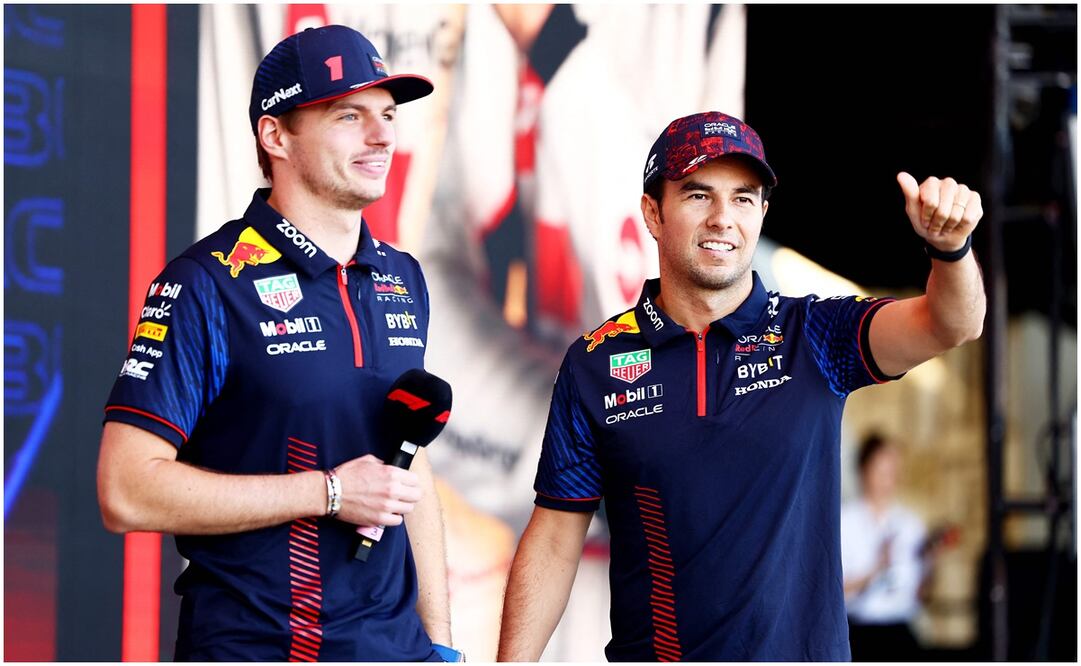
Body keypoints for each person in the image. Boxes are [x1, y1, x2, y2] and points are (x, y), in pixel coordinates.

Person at [497, 111, 986, 661]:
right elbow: (556, 537)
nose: (723, 219)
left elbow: (953, 324)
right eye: (698, 196)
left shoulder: (815, 335)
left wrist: (952, 251)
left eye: (744, 198)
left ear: (762, 213)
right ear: (653, 214)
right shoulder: (594, 364)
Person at [97, 25, 461, 661]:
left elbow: (408, 466)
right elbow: (125, 490)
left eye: (387, 115)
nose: (382, 138)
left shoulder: (403, 276)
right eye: (349, 115)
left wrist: (440, 646)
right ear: (275, 135)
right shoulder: (206, 283)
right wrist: (329, 492)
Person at [841, 433, 944, 661]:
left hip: (900, 631)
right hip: (860, 632)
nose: (889, 479)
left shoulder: (910, 523)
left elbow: (920, 595)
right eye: (882, 471)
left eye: (893, 471)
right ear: (863, 470)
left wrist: (932, 563)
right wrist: (877, 567)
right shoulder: (844, 522)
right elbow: (836, 591)